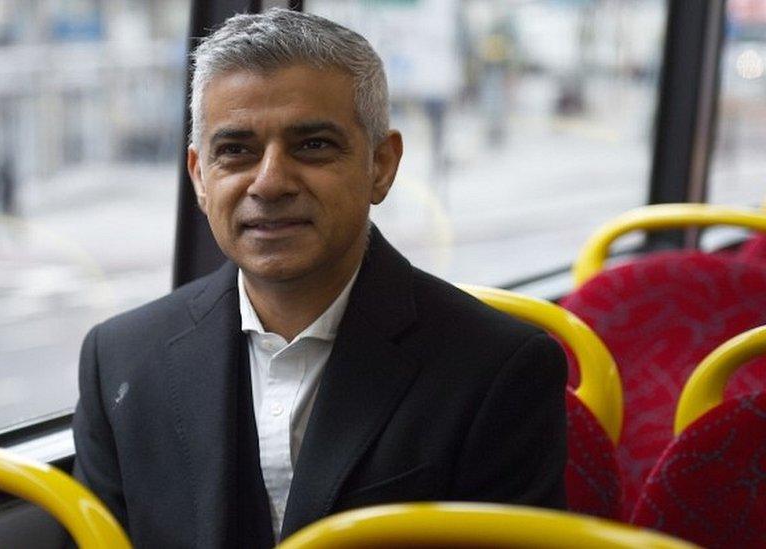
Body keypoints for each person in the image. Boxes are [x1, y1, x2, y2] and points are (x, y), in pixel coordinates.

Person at [72, 8, 567, 548]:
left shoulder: (496, 370)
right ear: (199, 177)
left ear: (380, 165)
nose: (270, 182)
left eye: (312, 146)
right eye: (236, 150)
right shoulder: (119, 361)